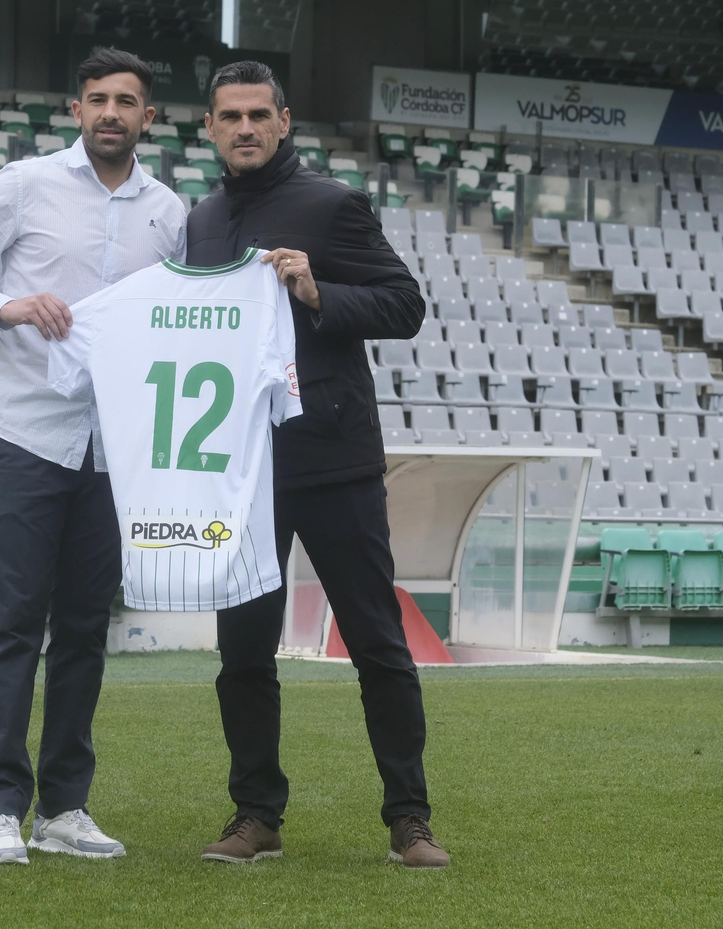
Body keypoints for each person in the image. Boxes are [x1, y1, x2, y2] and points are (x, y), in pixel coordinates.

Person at [0, 48, 187, 866]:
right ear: (76, 110)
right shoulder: (24, 184)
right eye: (98, 99)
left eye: (127, 101)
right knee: (12, 623)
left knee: (82, 629)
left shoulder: (169, 213)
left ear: (149, 119)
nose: (111, 112)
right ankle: (0, 807)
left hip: (116, 449)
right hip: (29, 432)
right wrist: (8, 305)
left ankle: (64, 808)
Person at [184, 60, 448, 869]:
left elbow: (405, 306)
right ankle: (255, 812)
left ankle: (409, 819)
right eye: (230, 116)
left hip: (332, 461)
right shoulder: (199, 222)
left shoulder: (333, 206)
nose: (245, 128)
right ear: (209, 128)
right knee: (243, 656)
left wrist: (317, 291)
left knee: (377, 643)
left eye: (259, 114)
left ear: (285, 120)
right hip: (243, 472)